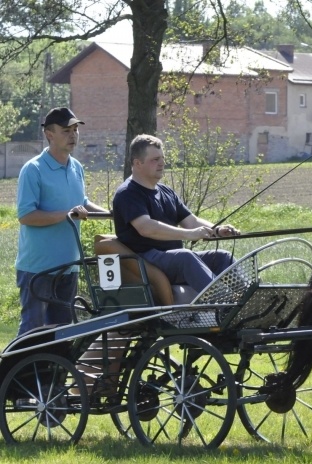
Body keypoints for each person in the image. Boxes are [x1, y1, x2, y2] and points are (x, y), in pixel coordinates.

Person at [15, 107, 109, 336]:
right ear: (49, 134)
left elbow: (82, 203)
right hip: (37, 269)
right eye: (66, 130)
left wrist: (112, 214)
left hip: (69, 266)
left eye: (75, 129)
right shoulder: (33, 170)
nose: (73, 135)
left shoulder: (76, 167)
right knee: (33, 332)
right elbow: (26, 216)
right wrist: (68, 214)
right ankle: (14, 373)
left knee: (62, 333)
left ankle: (51, 373)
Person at [112, 134, 239, 295]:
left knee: (223, 257)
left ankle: (253, 301)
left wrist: (217, 230)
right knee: (185, 257)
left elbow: (191, 222)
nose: (162, 163)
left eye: (162, 158)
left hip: (171, 259)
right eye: (155, 159)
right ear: (138, 163)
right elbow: (146, 228)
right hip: (145, 261)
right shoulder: (127, 193)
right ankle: (228, 306)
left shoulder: (166, 192)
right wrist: (189, 235)